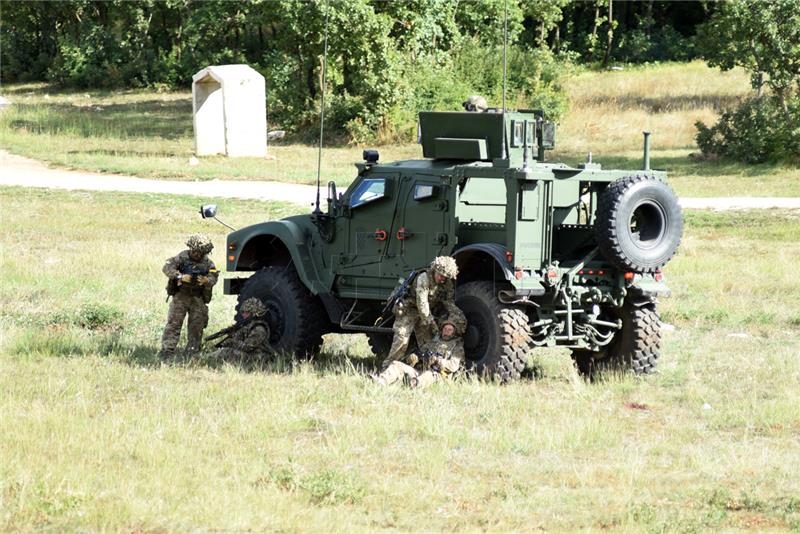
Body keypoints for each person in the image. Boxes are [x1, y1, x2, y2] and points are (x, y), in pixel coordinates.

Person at [383, 255, 460, 370]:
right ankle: (388, 368)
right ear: (435, 270)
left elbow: (449, 302)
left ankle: (425, 368)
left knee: (428, 342)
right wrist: (432, 324)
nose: (442, 279)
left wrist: (458, 314)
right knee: (402, 339)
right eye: (440, 275)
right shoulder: (424, 278)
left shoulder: (446, 283)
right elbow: (422, 304)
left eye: (445, 277)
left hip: (426, 312)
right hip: (410, 309)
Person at [159, 234, 218, 359]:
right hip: (181, 295)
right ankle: (167, 351)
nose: (197, 255)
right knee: (174, 324)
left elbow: (214, 276)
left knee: (197, 326)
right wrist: (180, 276)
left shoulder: (208, 263)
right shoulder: (182, 257)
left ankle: (192, 352)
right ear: (191, 249)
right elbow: (167, 268)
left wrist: (206, 280)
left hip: (198, 298)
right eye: (195, 252)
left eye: (200, 253)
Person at [374, 311, 466, 389]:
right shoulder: (434, 342)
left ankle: (414, 384)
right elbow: (421, 352)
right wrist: (413, 357)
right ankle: (382, 380)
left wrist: (438, 361)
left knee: (429, 375)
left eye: (449, 330)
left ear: (454, 332)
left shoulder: (457, 346)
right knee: (396, 364)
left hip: (438, 376)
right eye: (445, 329)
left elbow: (454, 366)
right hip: (420, 371)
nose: (446, 331)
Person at [202, 297, 271, 364]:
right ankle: (204, 357)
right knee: (226, 350)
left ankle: (203, 359)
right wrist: (233, 335)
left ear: (254, 313)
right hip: (251, 354)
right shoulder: (248, 326)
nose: (243, 314)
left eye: (246, 312)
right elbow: (239, 338)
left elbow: (247, 347)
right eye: (243, 312)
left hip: (258, 357)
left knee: (228, 352)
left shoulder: (259, 329)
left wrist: (232, 342)